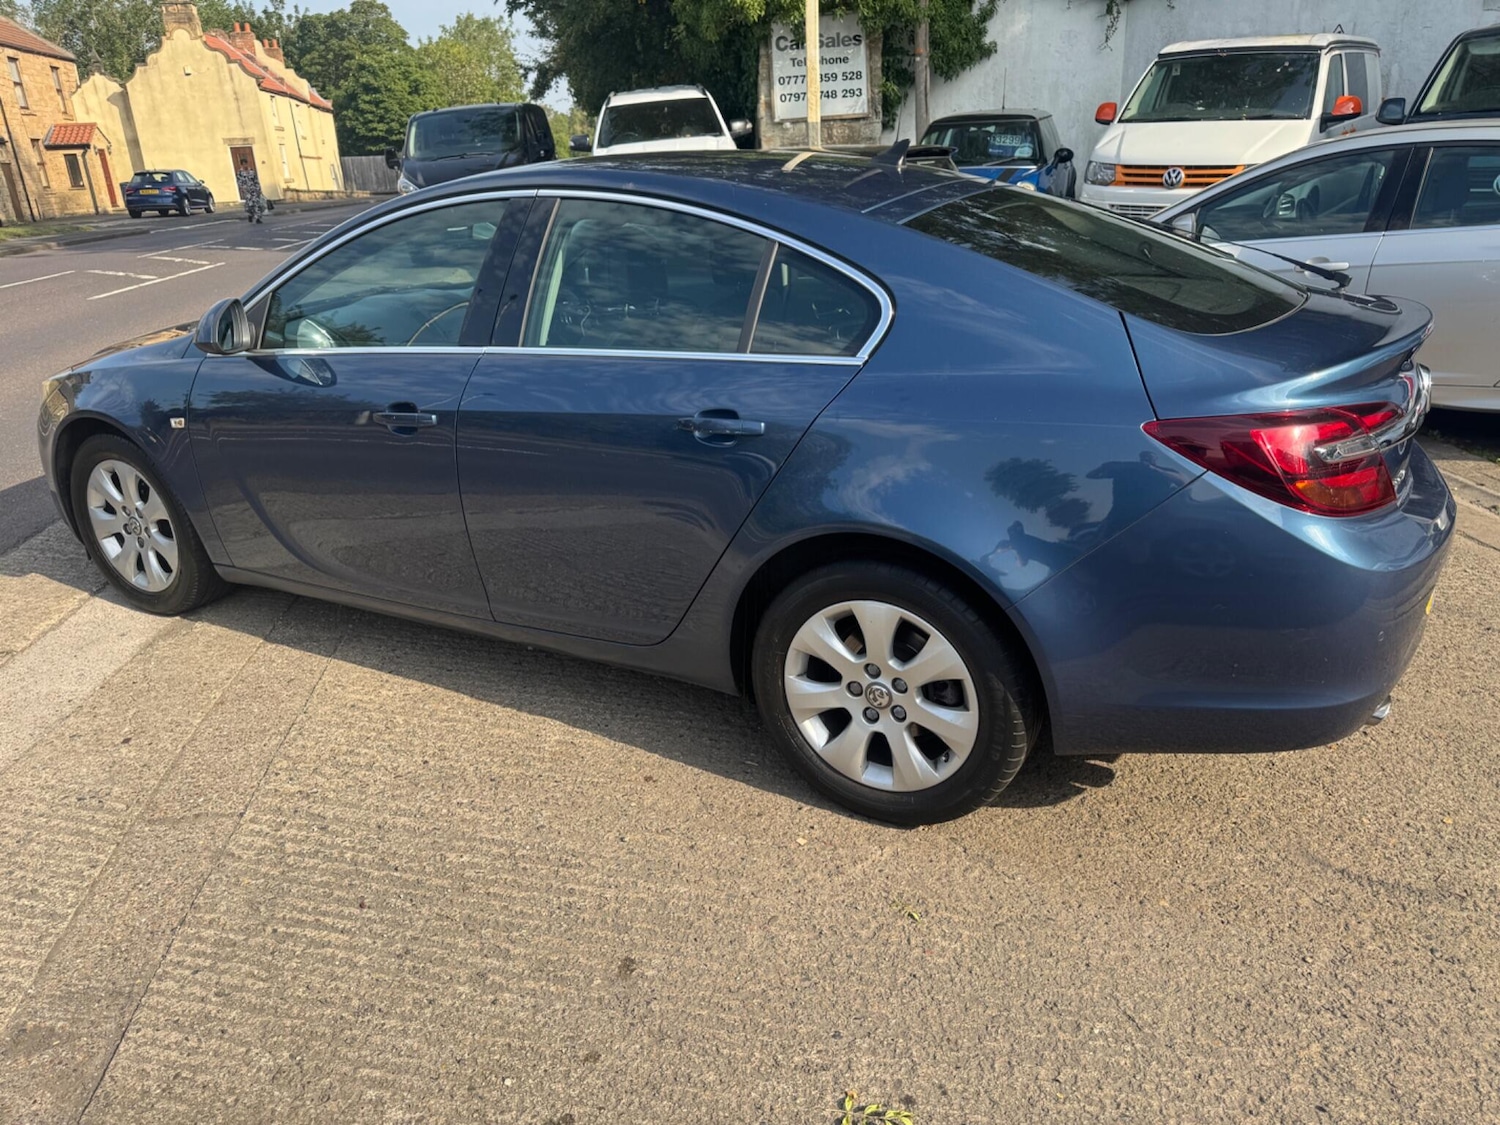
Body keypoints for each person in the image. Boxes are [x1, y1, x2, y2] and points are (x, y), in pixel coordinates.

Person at [235, 156, 265, 223]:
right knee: (250, 204)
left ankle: (258, 218)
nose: (245, 165)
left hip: (254, 189)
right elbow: (239, 181)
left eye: (246, 163)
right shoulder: (240, 173)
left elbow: (256, 180)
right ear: (241, 164)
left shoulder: (251, 171)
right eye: (243, 164)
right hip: (247, 190)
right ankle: (250, 214)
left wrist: (258, 189)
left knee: (256, 203)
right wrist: (242, 188)